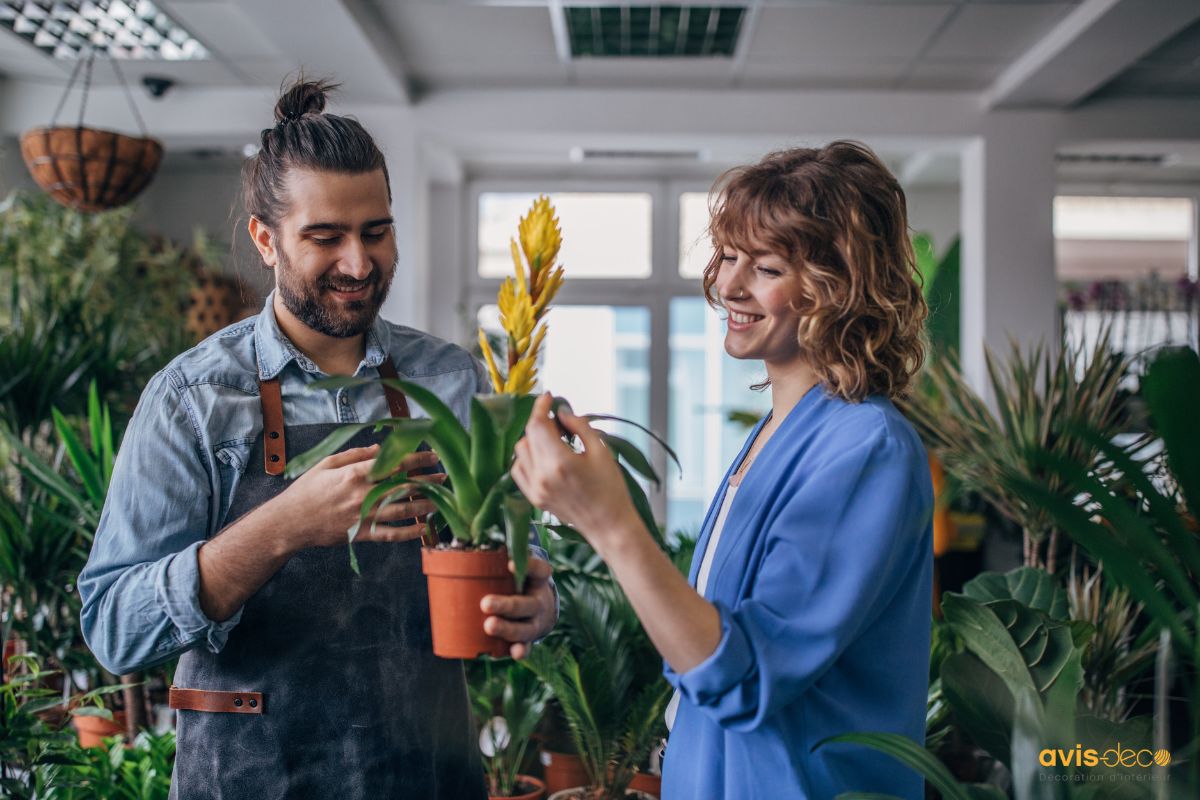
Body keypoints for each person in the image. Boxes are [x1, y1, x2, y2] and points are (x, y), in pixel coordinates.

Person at [78, 78, 557, 800]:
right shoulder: (194, 398)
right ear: (265, 240)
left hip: (424, 778)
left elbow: (518, 550)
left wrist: (536, 600)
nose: (359, 264)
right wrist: (283, 526)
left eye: (376, 231)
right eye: (325, 237)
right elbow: (116, 628)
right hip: (248, 779)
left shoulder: (449, 376)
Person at [512, 141, 933, 799]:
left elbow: (744, 677)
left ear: (840, 285)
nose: (729, 285)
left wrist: (611, 523)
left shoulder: (867, 449)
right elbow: (702, 644)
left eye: (765, 267)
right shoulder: (777, 432)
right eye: (730, 257)